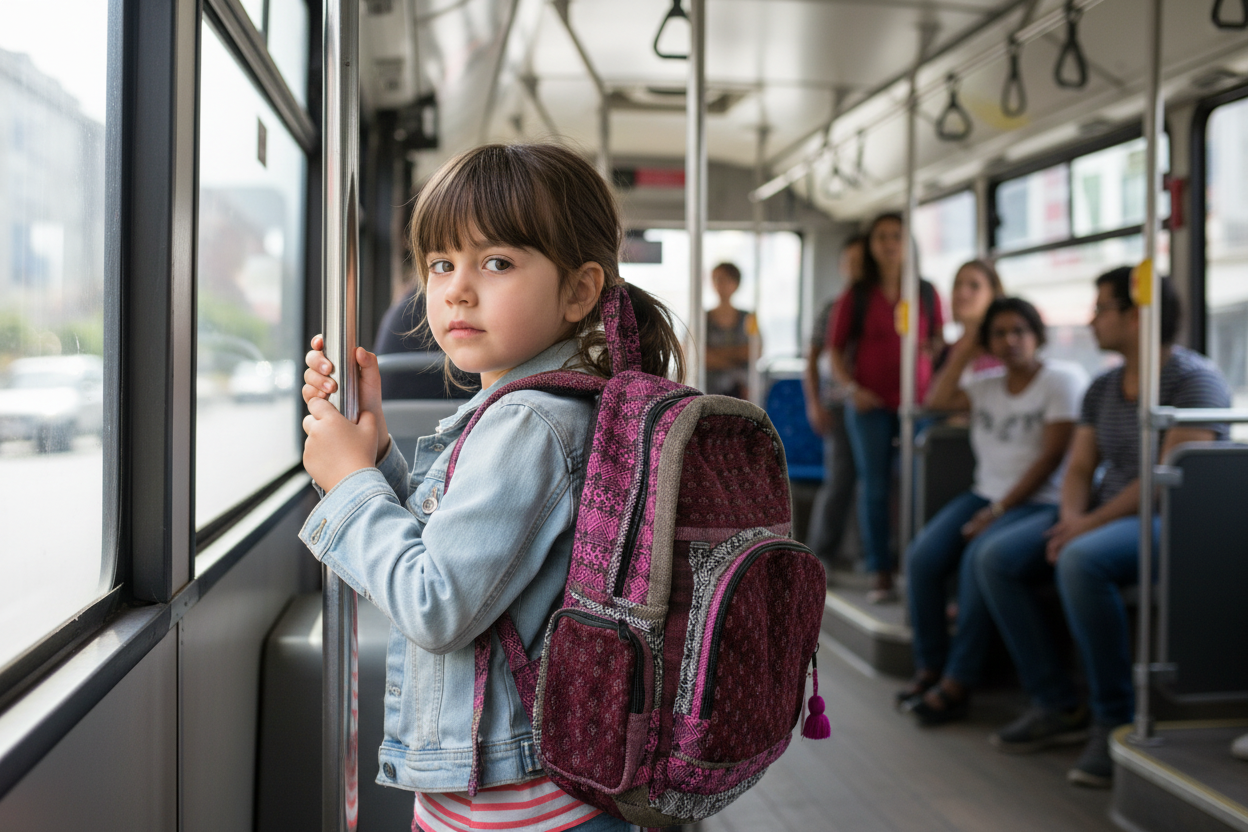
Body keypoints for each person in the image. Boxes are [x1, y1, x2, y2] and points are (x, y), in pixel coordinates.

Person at [298, 143, 684, 832]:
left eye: (497, 262)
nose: (457, 289)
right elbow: (458, 552)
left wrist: (349, 484)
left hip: (517, 810)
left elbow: (436, 604)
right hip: (531, 799)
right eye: (441, 263)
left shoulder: (529, 423)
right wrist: (376, 454)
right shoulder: (539, 408)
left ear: (579, 291)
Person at [976, 267, 1231, 789]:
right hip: (1103, 513)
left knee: (1080, 559)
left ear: (1137, 316)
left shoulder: (1194, 380)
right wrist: (1072, 518)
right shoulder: (1103, 386)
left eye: (1101, 309)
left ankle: (1112, 716)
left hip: (1170, 520)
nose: (1092, 321)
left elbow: (1164, 481)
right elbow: (1078, 467)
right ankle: (1054, 700)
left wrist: (1085, 527)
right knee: (995, 558)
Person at [899, 297, 1087, 726]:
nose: (1010, 341)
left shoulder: (1062, 380)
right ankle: (930, 666)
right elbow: (935, 399)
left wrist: (999, 510)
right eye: (999, 334)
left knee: (978, 559)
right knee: (922, 558)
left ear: (1036, 335)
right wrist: (966, 347)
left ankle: (958, 681)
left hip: (1041, 502)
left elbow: (1052, 458)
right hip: (986, 494)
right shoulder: (985, 387)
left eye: (1019, 331)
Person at [828, 212, 944, 603]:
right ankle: (880, 570)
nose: (890, 243)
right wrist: (852, 389)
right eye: (882, 237)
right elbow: (835, 352)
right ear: (872, 245)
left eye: (896, 235)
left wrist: (930, 353)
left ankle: (917, 565)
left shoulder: (925, 292)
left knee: (917, 486)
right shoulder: (857, 295)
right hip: (870, 405)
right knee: (875, 488)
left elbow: (937, 341)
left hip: (917, 405)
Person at [803, 235, 864, 567]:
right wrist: (814, 403)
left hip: (872, 403)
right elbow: (812, 359)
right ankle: (821, 552)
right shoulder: (832, 308)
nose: (856, 269)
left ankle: (866, 554)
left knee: (873, 483)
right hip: (838, 403)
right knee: (840, 479)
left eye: (861, 263)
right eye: (850, 263)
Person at [938, 259, 1005, 381]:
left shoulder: (1003, 347)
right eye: (957, 284)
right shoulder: (945, 351)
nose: (962, 293)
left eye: (974, 286)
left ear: (993, 294)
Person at [705, 262, 757, 398]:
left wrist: (715, 354)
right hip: (708, 391)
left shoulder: (749, 318)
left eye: (725, 280)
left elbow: (754, 351)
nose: (720, 284)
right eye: (716, 279)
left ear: (736, 283)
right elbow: (697, 355)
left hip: (742, 391)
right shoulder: (702, 320)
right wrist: (736, 358)